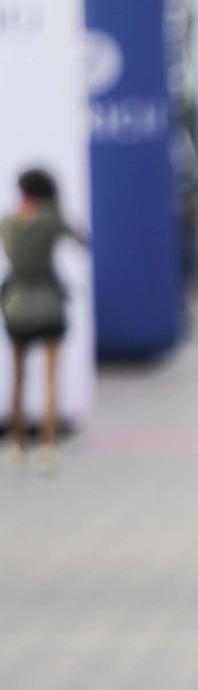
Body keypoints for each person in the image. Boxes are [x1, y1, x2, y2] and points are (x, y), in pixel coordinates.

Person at [2, 169, 89, 473]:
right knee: (51, 378)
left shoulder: (8, 223)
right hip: (49, 303)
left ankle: (17, 442)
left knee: (18, 377)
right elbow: (81, 239)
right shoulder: (52, 220)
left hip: (16, 304)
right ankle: (47, 444)